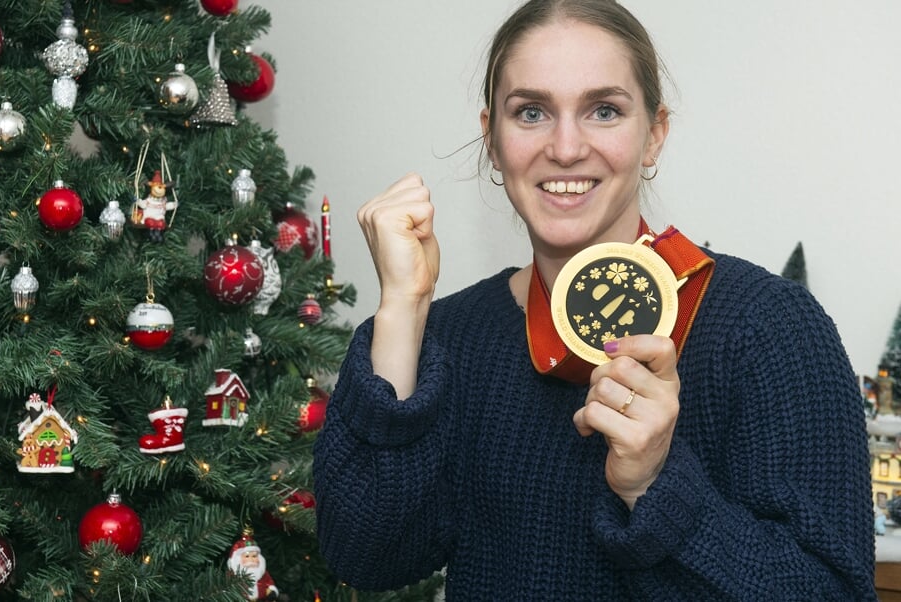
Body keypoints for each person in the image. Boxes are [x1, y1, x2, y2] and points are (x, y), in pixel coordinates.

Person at [311, 0, 876, 599]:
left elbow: (834, 592)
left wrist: (656, 484)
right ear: (493, 141)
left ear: (653, 135)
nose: (565, 146)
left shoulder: (769, 327)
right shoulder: (453, 336)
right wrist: (404, 308)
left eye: (603, 110)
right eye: (531, 112)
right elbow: (364, 555)